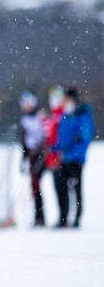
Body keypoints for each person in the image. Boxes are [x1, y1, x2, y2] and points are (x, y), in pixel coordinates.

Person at [51, 88, 95, 228]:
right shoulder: (65, 116)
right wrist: (54, 149)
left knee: (76, 189)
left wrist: (72, 153)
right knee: (61, 187)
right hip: (64, 159)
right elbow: (62, 138)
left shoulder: (82, 116)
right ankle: (63, 218)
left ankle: (76, 219)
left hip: (75, 160)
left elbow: (85, 138)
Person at [19, 92, 47, 227]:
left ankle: (41, 217)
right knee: (34, 187)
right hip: (31, 155)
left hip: (41, 155)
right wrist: (23, 158)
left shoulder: (40, 118)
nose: (28, 107)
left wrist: (42, 153)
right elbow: (24, 141)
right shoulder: (24, 120)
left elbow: (46, 137)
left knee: (37, 185)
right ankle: (38, 217)